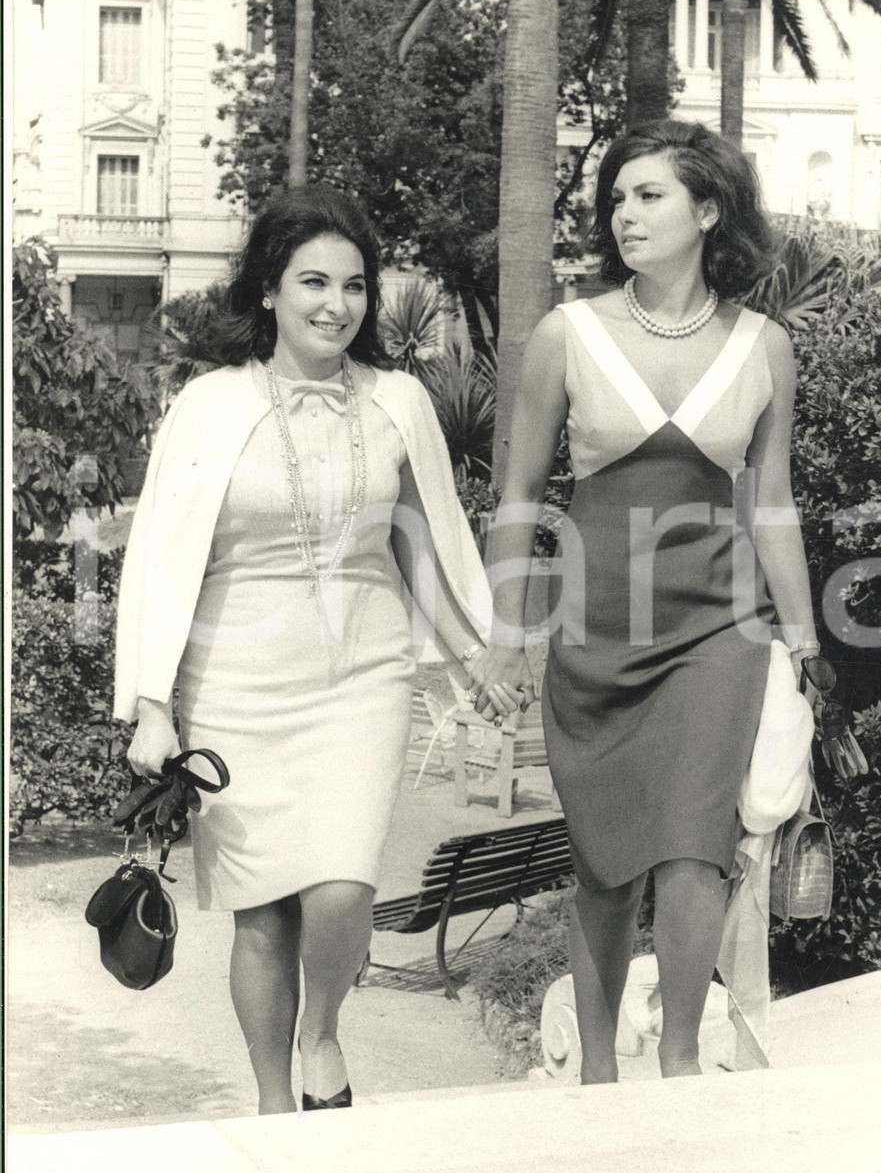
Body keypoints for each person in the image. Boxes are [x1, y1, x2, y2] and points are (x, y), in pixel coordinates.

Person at [115, 185, 492, 1115]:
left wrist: (475, 658)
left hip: (362, 678)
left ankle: (323, 1027)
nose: (337, 304)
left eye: (355, 285)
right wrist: (153, 705)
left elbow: (427, 546)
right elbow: (161, 557)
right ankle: (277, 1105)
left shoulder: (399, 402)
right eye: (313, 281)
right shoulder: (208, 405)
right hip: (234, 682)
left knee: (339, 887)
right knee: (262, 912)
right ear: (270, 292)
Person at [468, 119, 821, 1083]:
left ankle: (676, 1077)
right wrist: (504, 636)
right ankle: (595, 1077)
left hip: (719, 627)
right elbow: (518, 496)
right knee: (605, 866)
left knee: (692, 850)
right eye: (618, 197)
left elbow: (776, 508)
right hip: (596, 631)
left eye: (650, 195)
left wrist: (802, 641)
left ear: (709, 210)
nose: (626, 213)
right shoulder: (565, 336)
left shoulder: (764, 347)